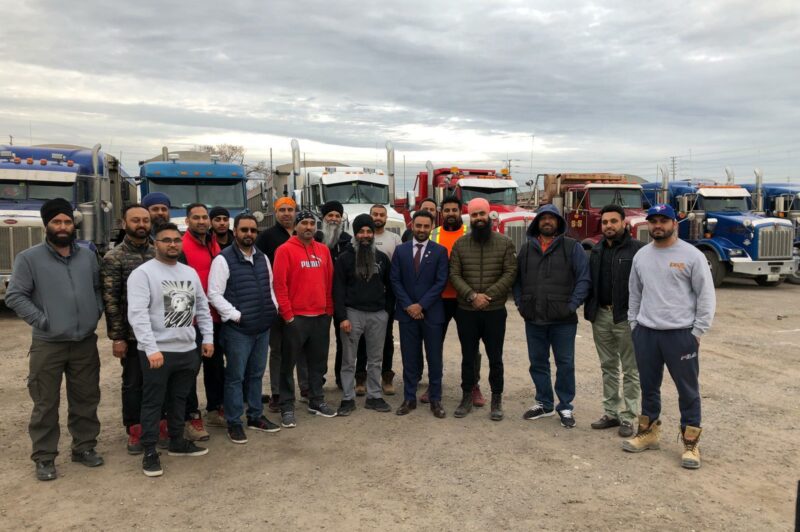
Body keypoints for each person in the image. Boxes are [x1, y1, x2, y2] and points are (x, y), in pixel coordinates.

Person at [6, 198, 105, 481]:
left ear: (74, 224)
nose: (63, 227)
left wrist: (94, 312)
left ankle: (84, 447)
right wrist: (43, 321)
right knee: (45, 402)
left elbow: (97, 288)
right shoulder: (29, 258)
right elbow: (15, 295)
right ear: (46, 224)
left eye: (67, 222)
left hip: (84, 342)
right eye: (56, 222)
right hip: (48, 344)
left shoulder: (87, 256)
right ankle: (45, 456)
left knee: (86, 398)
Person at [622, 204, 716, 469]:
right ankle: (649, 432)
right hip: (647, 333)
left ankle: (690, 444)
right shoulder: (642, 256)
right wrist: (634, 324)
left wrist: (697, 331)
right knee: (649, 387)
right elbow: (635, 293)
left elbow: (706, 296)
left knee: (688, 391)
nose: (658, 225)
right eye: (653, 221)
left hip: (681, 335)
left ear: (675, 223)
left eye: (664, 220)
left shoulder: (692, 255)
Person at [127, 223, 214, 477]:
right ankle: (150, 451)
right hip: (157, 353)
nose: (173, 244)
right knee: (153, 402)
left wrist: (207, 338)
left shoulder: (189, 272)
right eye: (166, 240)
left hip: (187, 349)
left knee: (179, 399)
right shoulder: (143, 274)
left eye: (177, 240)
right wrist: (151, 348)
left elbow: (201, 307)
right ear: (156, 243)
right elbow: (138, 314)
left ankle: (177, 441)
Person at [513, 204, 590, 428]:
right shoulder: (527, 249)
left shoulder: (571, 247)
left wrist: (572, 304)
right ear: (538, 222)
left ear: (558, 222)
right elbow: (517, 280)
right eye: (543, 218)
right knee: (537, 362)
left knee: (565, 364)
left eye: (552, 218)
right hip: (533, 318)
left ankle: (565, 406)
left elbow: (584, 278)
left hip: (563, 320)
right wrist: (520, 303)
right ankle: (544, 403)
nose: (547, 221)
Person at [208, 213, 281, 444]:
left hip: (262, 327)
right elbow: (214, 294)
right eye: (244, 230)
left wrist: (274, 308)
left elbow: (269, 286)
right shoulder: (223, 259)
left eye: (252, 230)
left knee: (257, 374)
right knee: (235, 377)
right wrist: (236, 316)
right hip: (238, 331)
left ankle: (255, 416)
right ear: (235, 231)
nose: (249, 234)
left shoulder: (262, 257)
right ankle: (234, 422)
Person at [449, 198, 517, 421]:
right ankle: (467, 395)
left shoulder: (505, 243)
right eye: (474, 215)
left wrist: (487, 296)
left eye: (482, 214)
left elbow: (509, 273)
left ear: (490, 215)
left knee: (495, 357)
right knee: (468, 356)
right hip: (466, 311)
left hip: (494, 310)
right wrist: (471, 295)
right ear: (470, 217)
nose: (478, 219)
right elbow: (454, 274)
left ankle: (496, 399)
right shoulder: (460, 244)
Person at [101, 204, 161, 455]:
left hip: (161, 333)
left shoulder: (159, 252)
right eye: (135, 220)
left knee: (159, 382)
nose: (141, 225)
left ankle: (160, 425)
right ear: (125, 224)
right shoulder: (114, 257)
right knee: (133, 383)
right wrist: (118, 337)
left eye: (145, 220)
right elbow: (111, 300)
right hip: (133, 335)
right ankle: (135, 429)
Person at [584, 204, 645, 438]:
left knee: (630, 370)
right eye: (605, 222)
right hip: (601, 316)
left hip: (626, 318)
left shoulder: (638, 251)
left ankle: (629, 417)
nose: (609, 226)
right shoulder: (596, 250)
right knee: (608, 366)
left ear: (624, 223)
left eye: (613, 221)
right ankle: (611, 412)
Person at [272, 210, 337, 427]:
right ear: (297, 227)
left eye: (312, 223)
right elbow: (279, 285)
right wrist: (288, 315)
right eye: (304, 223)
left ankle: (316, 400)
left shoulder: (323, 251)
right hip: (296, 318)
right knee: (288, 363)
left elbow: (329, 283)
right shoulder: (284, 250)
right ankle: (287, 405)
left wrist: (328, 310)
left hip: (320, 317)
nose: (308, 227)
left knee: (317, 363)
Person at [427, 195, 485, 407]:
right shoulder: (433, 234)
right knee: (434, 345)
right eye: (447, 210)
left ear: (461, 212)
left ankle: (473, 386)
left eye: (455, 210)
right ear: (441, 212)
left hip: (465, 300)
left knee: (471, 347)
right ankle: (434, 386)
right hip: (438, 300)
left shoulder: (470, 234)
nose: (451, 213)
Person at [390, 210, 449, 418]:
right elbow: (395, 280)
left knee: (434, 358)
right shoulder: (401, 251)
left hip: (431, 314)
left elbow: (441, 282)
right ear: (411, 225)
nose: (422, 230)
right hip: (407, 315)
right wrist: (409, 306)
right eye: (418, 226)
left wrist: (421, 305)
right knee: (409, 357)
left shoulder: (440, 251)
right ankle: (409, 398)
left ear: (431, 227)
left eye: (426, 226)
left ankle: (436, 399)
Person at [334, 214, 394, 416]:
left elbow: (391, 287)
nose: (365, 235)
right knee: (349, 360)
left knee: (375, 359)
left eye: (369, 231)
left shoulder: (382, 258)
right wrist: (342, 317)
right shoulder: (344, 258)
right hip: (353, 314)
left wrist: (387, 312)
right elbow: (338, 290)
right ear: (355, 233)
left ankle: (374, 396)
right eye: (361, 231)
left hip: (378, 314)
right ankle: (348, 398)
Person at [178, 203, 223, 439]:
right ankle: (191, 417)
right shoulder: (182, 246)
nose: (202, 221)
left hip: (215, 318)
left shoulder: (213, 243)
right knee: (189, 371)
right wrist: (186, 321)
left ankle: (215, 409)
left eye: (205, 217)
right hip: (192, 320)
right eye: (196, 218)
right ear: (187, 221)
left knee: (216, 368)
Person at [354, 203, 402, 395]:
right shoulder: (360, 238)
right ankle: (360, 378)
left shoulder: (394, 238)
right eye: (375, 214)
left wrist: (391, 303)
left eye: (382, 214)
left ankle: (386, 376)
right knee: (362, 342)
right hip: (361, 302)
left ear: (386, 217)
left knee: (386, 341)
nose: (378, 217)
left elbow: (396, 271)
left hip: (383, 303)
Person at [255, 196, 297, 412]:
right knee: (278, 349)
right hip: (277, 303)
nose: (286, 213)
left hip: (299, 303)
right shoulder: (266, 237)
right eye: (282, 210)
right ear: (276, 212)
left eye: (290, 209)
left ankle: (304, 388)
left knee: (299, 349)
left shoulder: (303, 235)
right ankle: (277, 393)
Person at [318, 200, 355, 393]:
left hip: (342, 299)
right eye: (330, 215)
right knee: (319, 341)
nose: (333, 219)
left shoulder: (348, 241)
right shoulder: (314, 239)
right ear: (323, 217)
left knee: (344, 339)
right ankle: (318, 378)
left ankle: (342, 378)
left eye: (337, 216)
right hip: (319, 299)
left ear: (341, 219)